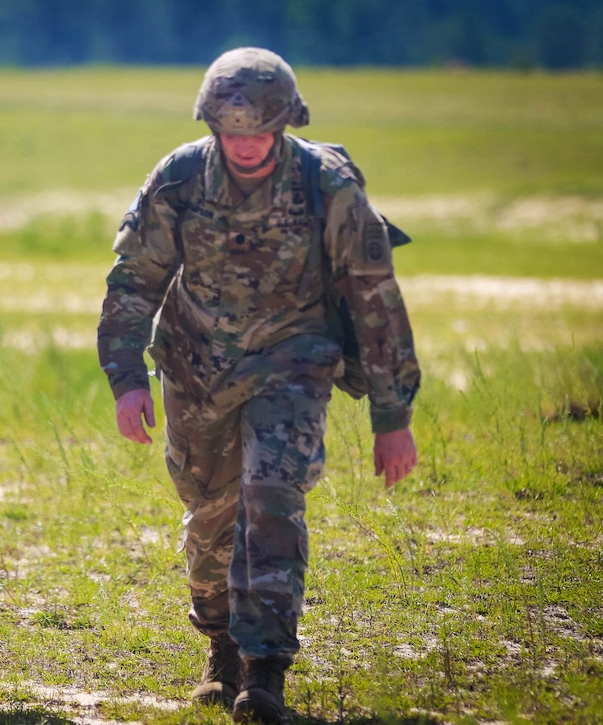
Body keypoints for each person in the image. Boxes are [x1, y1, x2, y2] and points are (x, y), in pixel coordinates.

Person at [96, 48, 420, 724]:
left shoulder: (326, 185)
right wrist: (127, 377)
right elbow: (135, 278)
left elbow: (373, 297)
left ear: (286, 123)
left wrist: (393, 414)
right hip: (194, 365)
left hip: (293, 360)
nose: (245, 144)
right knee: (210, 512)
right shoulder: (180, 177)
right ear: (211, 125)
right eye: (231, 130)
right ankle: (219, 642)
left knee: (272, 496)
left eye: (259, 130)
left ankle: (265, 669)